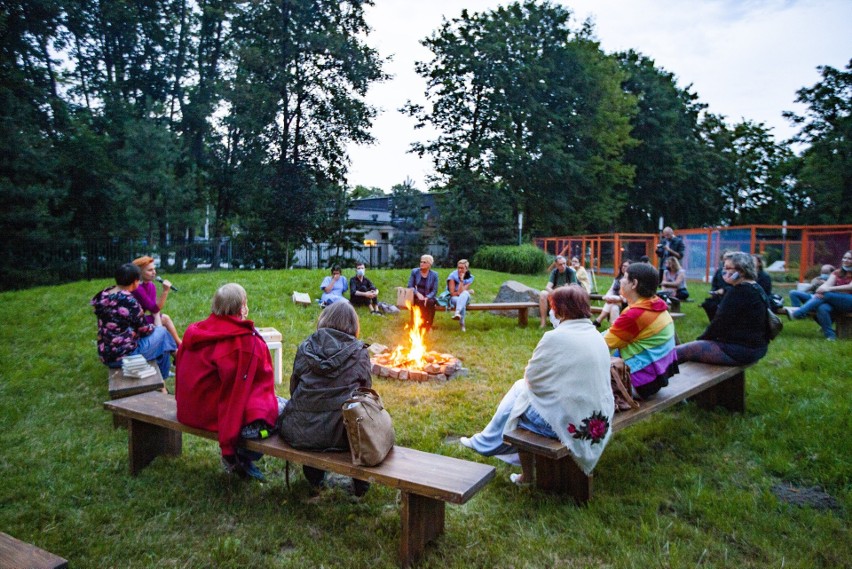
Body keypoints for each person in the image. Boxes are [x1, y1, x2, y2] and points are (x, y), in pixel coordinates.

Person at [459, 286, 613, 485]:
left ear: (561, 310)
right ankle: (487, 441)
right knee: (521, 391)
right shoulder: (595, 335)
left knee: (520, 396)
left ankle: (496, 449)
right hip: (599, 419)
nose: (551, 312)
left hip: (570, 423)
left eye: (552, 307)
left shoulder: (555, 337)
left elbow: (532, 377)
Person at [175, 283, 279, 481]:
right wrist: (228, 449)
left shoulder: (195, 332)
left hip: (188, 410)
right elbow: (238, 395)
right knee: (278, 413)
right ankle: (243, 458)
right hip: (213, 417)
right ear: (243, 307)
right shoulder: (246, 343)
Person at [278, 301, 372, 496]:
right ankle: (360, 487)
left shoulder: (305, 348)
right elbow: (365, 393)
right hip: (342, 436)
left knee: (315, 422)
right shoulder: (360, 352)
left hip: (301, 431)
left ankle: (315, 480)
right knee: (363, 422)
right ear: (354, 325)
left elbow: (294, 389)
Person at [676, 252, 769, 364]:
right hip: (756, 348)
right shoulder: (756, 287)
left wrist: (700, 341)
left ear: (742, 270)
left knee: (677, 353)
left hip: (740, 351)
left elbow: (719, 323)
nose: (723, 271)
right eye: (723, 267)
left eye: (728, 268)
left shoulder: (739, 291)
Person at [603, 262, 679, 399]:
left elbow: (602, 344)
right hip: (656, 379)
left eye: (625, 277)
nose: (620, 280)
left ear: (634, 283)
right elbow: (614, 335)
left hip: (640, 383)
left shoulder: (635, 314)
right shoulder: (655, 304)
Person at [91, 263, 177, 379]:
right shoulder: (129, 300)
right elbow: (145, 330)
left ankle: (169, 368)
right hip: (125, 356)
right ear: (135, 281)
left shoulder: (103, 294)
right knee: (162, 334)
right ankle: (167, 371)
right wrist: (156, 328)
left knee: (162, 337)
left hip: (106, 354)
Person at [785, 251, 852, 341]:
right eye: (844, 258)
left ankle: (799, 313)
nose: (846, 260)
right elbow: (827, 285)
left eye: (849, 258)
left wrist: (828, 289)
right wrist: (820, 290)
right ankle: (831, 336)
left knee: (827, 294)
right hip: (835, 300)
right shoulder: (837, 272)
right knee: (822, 307)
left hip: (849, 302)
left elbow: (850, 286)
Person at [131, 255, 181, 346]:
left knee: (164, 322)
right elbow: (154, 308)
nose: (154, 272)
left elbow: (154, 310)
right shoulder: (137, 288)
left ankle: (179, 347)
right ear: (139, 273)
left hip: (141, 320)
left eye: (154, 269)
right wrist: (165, 291)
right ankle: (180, 346)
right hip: (133, 324)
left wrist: (158, 325)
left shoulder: (151, 285)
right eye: (150, 270)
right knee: (165, 319)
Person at [539, 255, 577, 328]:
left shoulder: (571, 272)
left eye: (564, 263)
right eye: (560, 264)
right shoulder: (555, 272)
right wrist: (555, 292)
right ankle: (543, 322)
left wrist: (564, 289)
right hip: (555, 293)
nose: (563, 266)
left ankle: (563, 321)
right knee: (543, 294)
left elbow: (574, 287)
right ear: (556, 265)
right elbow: (547, 287)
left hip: (567, 294)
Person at [592, 259, 630, 328]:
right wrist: (607, 297)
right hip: (616, 301)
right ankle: (613, 328)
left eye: (626, 266)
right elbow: (611, 290)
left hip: (626, 302)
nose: (624, 268)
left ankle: (598, 320)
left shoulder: (631, 280)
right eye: (623, 266)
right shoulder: (617, 279)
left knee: (612, 301)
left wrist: (618, 298)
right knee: (613, 307)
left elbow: (628, 296)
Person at [407, 254, 439, 331]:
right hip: (417, 295)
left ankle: (428, 325)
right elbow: (410, 286)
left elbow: (434, 290)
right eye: (421, 262)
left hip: (428, 295)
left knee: (430, 303)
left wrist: (427, 297)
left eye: (424, 262)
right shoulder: (415, 272)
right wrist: (417, 293)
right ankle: (416, 324)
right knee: (418, 302)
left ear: (429, 264)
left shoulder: (434, 275)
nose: (422, 264)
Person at [701, 251, 734, 321]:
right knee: (708, 303)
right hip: (718, 296)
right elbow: (714, 284)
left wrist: (724, 290)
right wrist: (714, 291)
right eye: (725, 259)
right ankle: (713, 321)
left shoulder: (735, 272)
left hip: (731, 295)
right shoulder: (719, 271)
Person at [447, 259, 474, 331]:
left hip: (464, 297)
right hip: (453, 298)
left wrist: (462, 280)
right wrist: (468, 290)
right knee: (462, 302)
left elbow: (461, 292)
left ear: (467, 269)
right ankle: (462, 324)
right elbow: (453, 293)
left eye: (462, 268)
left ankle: (457, 312)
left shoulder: (470, 277)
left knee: (464, 294)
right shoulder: (452, 276)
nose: (459, 270)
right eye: (458, 267)